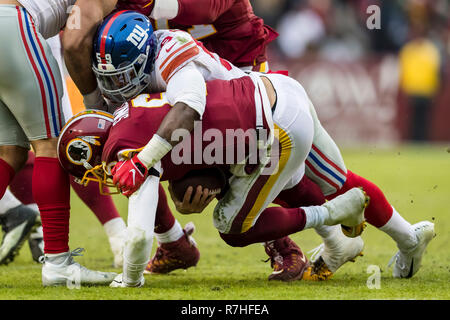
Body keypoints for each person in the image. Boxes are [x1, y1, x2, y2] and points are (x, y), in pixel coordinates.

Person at [58, 73, 369, 287]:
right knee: (329, 180)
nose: (103, 176)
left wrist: (130, 279)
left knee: (232, 226)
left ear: (95, 149)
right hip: (276, 88)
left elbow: (138, 235)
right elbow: (196, 142)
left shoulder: (121, 150)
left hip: (274, 129)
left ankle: (336, 212)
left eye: (95, 169)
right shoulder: (130, 108)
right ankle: (350, 232)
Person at [0, 0, 117, 286]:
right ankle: (58, 262)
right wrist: (95, 104)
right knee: (51, 144)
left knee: (10, 152)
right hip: (12, 24)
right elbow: (75, 42)